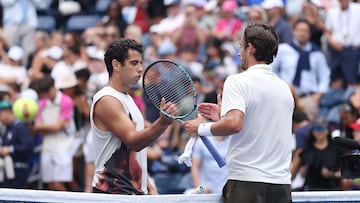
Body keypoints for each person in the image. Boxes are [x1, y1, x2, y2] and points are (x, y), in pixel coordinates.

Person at [183, 23, 294, 203]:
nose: (238, 52)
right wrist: (222, 118)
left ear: (250, 48)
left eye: (241, 46)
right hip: (281, 187)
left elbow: (235, 123)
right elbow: (256, 124)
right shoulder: (284, 88)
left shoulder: (237, 81)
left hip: (247, 184)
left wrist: (201, 128)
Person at [90, 38, 177, 194]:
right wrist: (163, 123)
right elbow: (133, 141)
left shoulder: (127, 98)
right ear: (116, 65)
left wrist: (147, 185)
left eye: (140, 63)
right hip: (112, 193)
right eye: (134, 63)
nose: (140, 69)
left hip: (131, 192)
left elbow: (136, 155)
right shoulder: (107, 100)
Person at [0, 100, 34, 188]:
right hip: (7, 169)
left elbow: (28, 146)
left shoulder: (20, 127)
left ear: (7, 112)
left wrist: (10, 149)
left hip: (18, 170)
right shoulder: (7, 128)